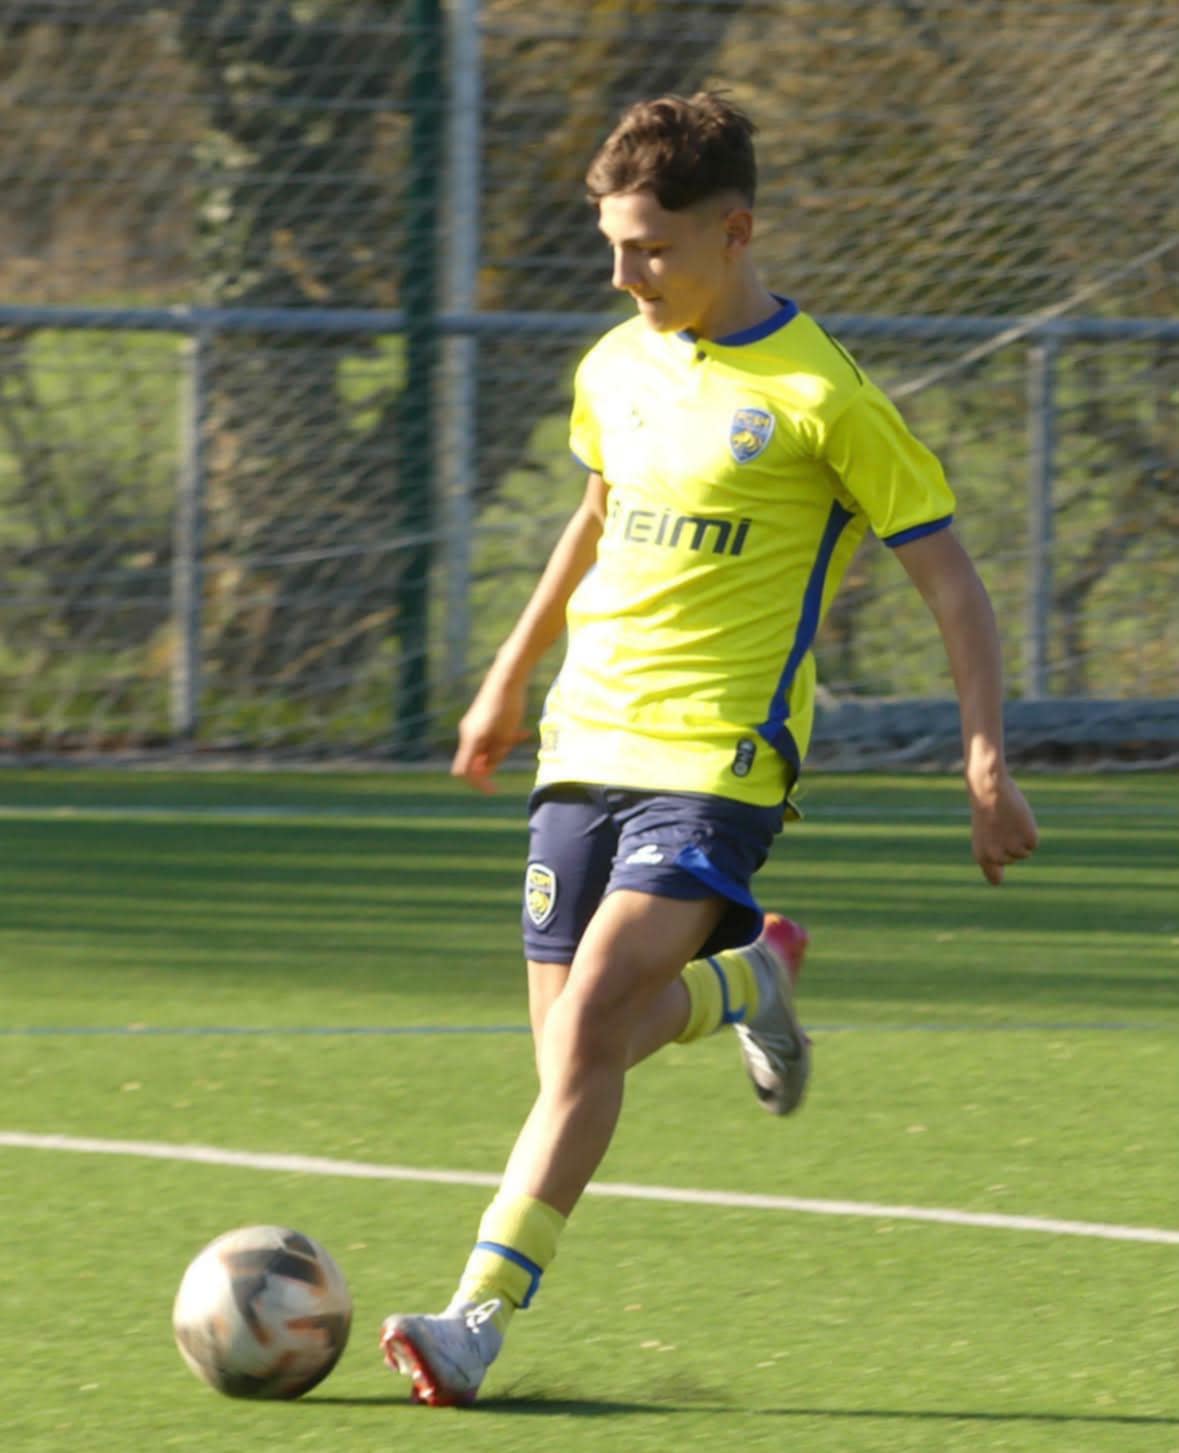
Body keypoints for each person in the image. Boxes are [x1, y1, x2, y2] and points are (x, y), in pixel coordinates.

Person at [380, 91, 1039, 1406]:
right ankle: (751, 984)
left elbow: (954, 581)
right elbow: (592, 518)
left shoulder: (821, 395)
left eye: (651, 250)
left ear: (734, 232)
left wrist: (984, 758)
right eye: (614, 247)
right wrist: (506, 679)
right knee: (578, 1052)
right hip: (585, 737)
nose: (625, 275)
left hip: (718, 760)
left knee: (587, 1034)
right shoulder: (616, 367)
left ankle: (474, 1320)